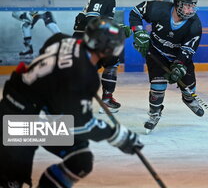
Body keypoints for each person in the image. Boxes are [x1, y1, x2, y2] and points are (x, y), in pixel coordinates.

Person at [0, 17, 143, 187]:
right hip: (18, 123)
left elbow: (50, 47)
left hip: (33, 115)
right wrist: (117, 135)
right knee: (10, 182)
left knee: (79, 158)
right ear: (109, 49)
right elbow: (81, 125)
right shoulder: (83, 74)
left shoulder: (65, 40)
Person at [129, 0, 204, 132]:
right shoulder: (159, 9)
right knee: (157, 87)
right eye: (187, 6)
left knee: (189, 88)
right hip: (156, 53)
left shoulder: (195, 25)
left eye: (193, 6)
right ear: (178, 4)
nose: (191, 10)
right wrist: (138, 31)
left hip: (178, 56)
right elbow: (136, 12)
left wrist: (179, 66)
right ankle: (154, 113)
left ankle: (188, 99)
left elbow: (187, 50)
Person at [73, 0, 130, 111]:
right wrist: (116, 29)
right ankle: (107, 99)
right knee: (112, 61)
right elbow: (91, 19)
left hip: (85, 37)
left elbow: (83, 18)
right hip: (89, 38)